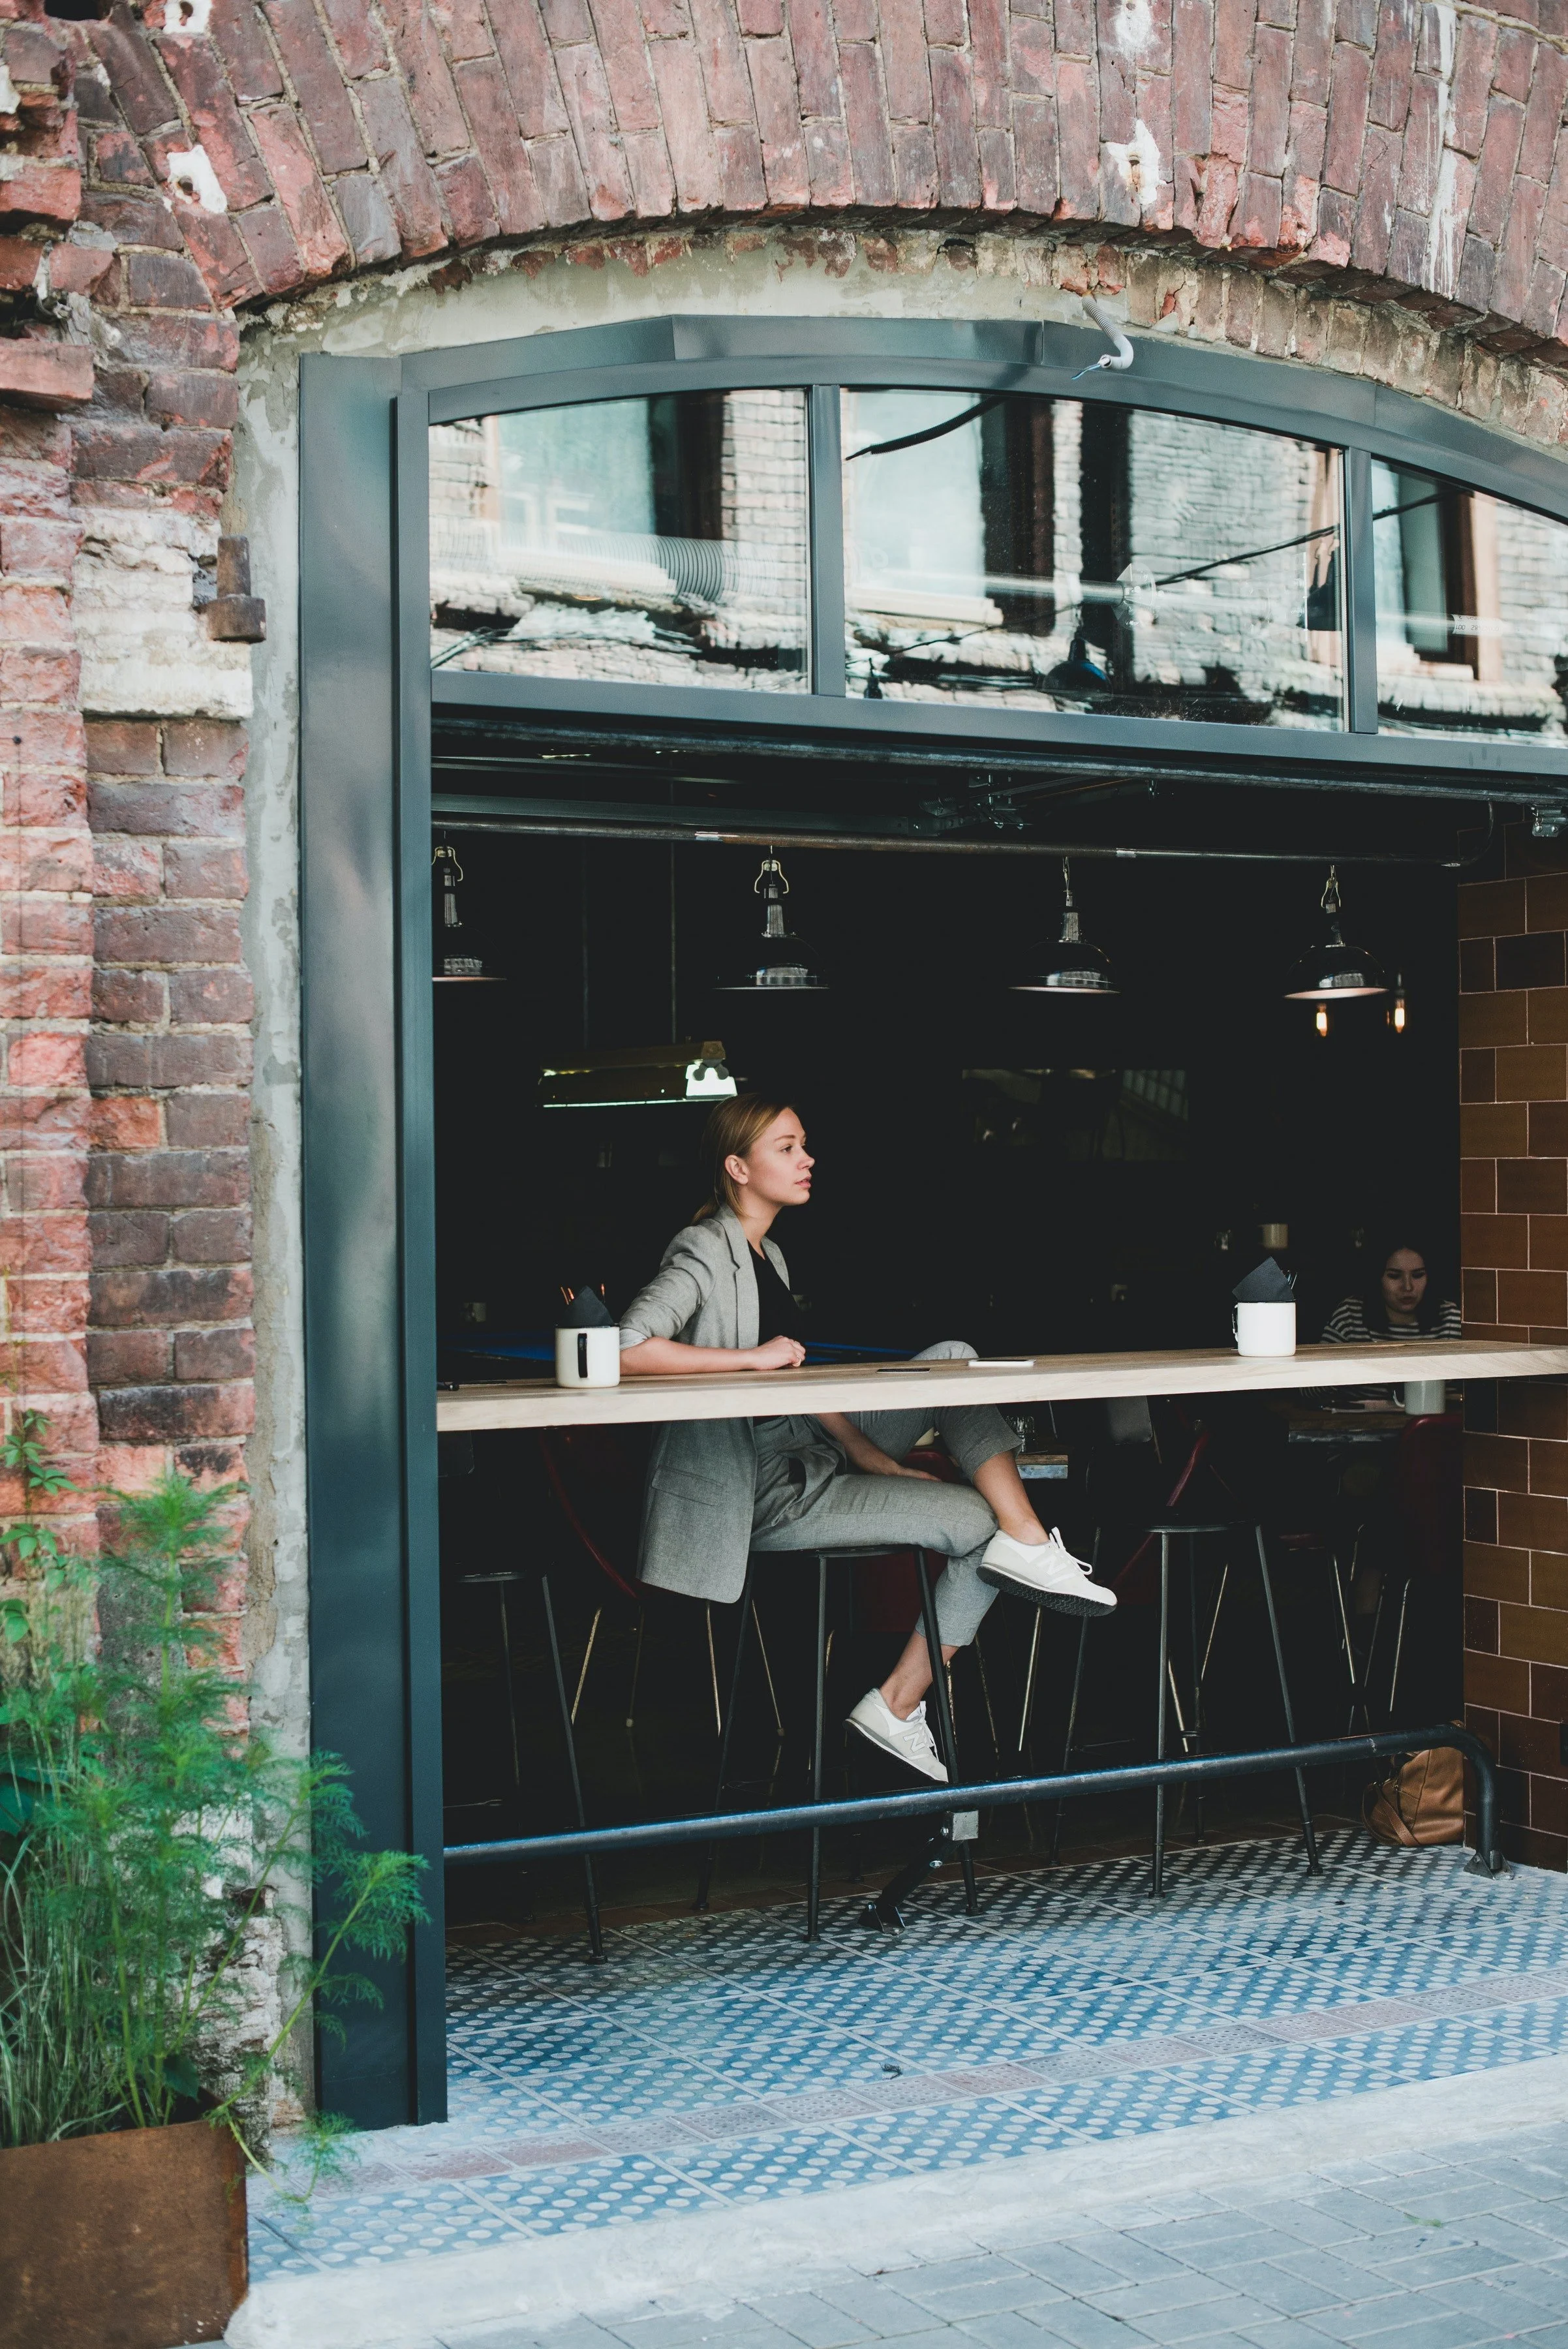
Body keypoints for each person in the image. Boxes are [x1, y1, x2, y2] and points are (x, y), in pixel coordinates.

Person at [619, 1096, 1115, 1784]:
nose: (807, 1158)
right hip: (760, 1489)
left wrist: (867, 1453)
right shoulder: (704, 1248)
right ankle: (899, 1703)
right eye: (787, 1147)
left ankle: (1028, 1537)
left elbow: (795, 1387)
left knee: (951, 1356)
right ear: (737, 1166)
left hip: (806, 1452)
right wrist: (752, 1358)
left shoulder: (771, 1255)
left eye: (804, 1145)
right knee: (978, 1527)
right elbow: (625, 1348)